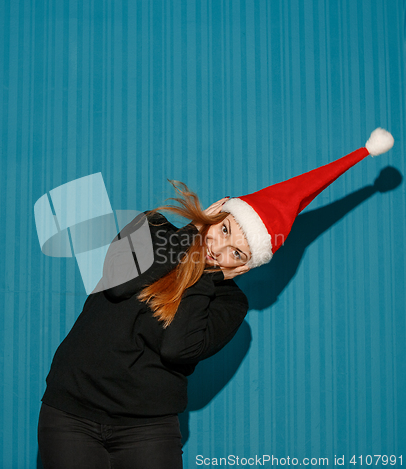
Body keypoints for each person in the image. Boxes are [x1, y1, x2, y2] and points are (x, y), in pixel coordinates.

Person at [38, 128, 393, 469]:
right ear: (217, 212)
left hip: (147, 429)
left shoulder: (229, 304)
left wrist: (207, 276)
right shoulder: (152, 227)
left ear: (245, 267)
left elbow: (177, 349)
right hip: (71, 413)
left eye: (237, 252)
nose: (218, 247)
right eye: (223, 228)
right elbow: (118, 285)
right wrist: (193, 232)